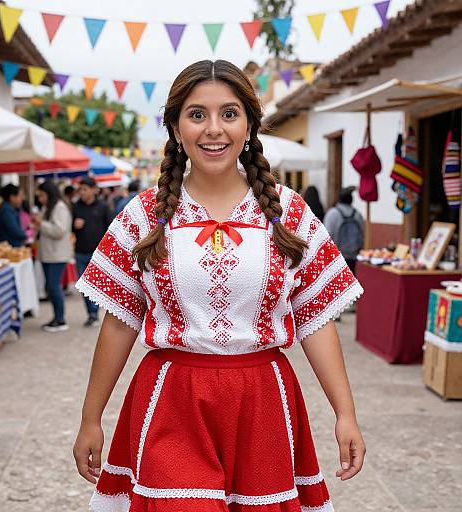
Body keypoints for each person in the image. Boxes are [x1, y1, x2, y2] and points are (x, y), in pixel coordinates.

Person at [73, 60, 366, 512]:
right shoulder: (143, 214)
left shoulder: (288, 213)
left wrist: (345, 413)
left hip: (263, 401)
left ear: (249, 123)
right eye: (197, 114)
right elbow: (118, 324)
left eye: (229, 113)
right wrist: (90, 418)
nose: (214, 129)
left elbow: (315, 319)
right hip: (173, 399)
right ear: (175, 127)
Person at [32, 180, 72, 332]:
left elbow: (59, 230)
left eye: (42, 195)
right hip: (48, 254)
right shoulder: (48, 207)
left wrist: (41, 223)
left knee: (54, 287)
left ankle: (60, 319)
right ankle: (57, 317)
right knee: (51, 286)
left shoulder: (59, 207)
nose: (40, 199)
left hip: (57, 255)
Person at [72, 176, 112, 327]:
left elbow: (110, 229)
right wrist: (74, 225)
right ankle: (90, 313)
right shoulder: (76, 206)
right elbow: (70, 228)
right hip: (80, 252)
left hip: (97, 253)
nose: (82, 192)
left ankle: (94, 313)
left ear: (94, 190)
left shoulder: (103, 206)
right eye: (80, 189)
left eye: (85, 189)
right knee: (83, 286)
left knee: (95, 285)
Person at [323, 186, 365, 274]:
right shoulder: (357, 214)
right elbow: (362, 233)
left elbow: (327, 235)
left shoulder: (332, 213)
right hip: (353, 255)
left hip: (337, 256)